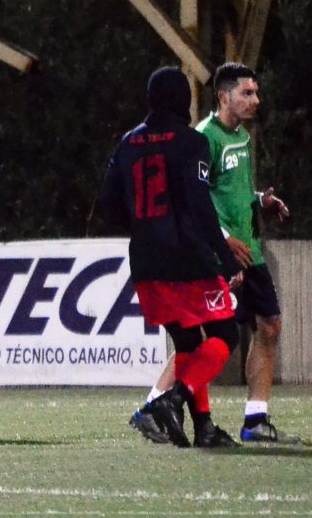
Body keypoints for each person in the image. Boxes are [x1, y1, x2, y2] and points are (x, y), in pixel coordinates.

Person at [128, 62, 296, 444]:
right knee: (204, 337)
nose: (256, 99)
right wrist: (221, 241)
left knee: (269, 325)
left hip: (248, 250)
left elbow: (230, 191)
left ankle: (255, 419)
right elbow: (193, 200)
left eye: (256, 92)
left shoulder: (242, 137)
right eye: (247, 93)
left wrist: (260, 201)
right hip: (222, 254)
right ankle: (155, 405)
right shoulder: (204, 137)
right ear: (223, 96)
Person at [100, 66, 245, 449]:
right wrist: (225, 257)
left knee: (187, 343)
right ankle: (171, 400)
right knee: (226, 334)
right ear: (183, 99)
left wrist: (145, 225)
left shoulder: (127, 143)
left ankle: (205, 428)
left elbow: (108, 206)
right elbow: (199, 205)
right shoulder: (191, 142)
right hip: (186, 259)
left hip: (146, 261)